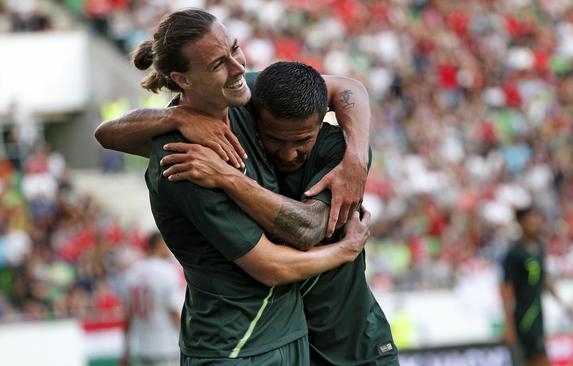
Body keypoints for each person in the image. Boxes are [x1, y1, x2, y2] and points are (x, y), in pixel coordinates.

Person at [95, 9, 372, 364]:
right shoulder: (185, 160)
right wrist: (346, 250)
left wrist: (356, 157)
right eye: (217, 64)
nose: (238, 66)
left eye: (235, 49)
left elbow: (347, 88)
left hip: (285, 336)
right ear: (183, 79)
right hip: (235, 348)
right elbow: (271, 266)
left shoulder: (242, 97)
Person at [161, 61, 399, 365]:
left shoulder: (340, 156)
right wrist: (175, 116)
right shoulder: (239, 131)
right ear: (255, 120)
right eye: (275, 139)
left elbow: (307, 228)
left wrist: (227, 179)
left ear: (321, 123)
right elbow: (110, 134)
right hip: (289, 347)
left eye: (302, 141)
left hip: (356, 346)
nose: (288, 153)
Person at [501, 207, 573, 366]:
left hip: (538, 311)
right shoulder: (515, 253)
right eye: (530, 218)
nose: (535, 222)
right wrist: (508, 325)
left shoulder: (538, 248)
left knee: (533, 360)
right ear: (521, 222)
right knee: (540, 359)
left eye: (537, 217)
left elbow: (543, 280)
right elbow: (506, 289)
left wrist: (563, 304)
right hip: (525, 314)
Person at [122, 232, 184, 366]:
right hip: (167, 347)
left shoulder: (132, 272)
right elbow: (174, 312)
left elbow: (129, 316)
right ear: (160, 245)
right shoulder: (167, 271)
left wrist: (126, 351)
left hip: (143, 347)